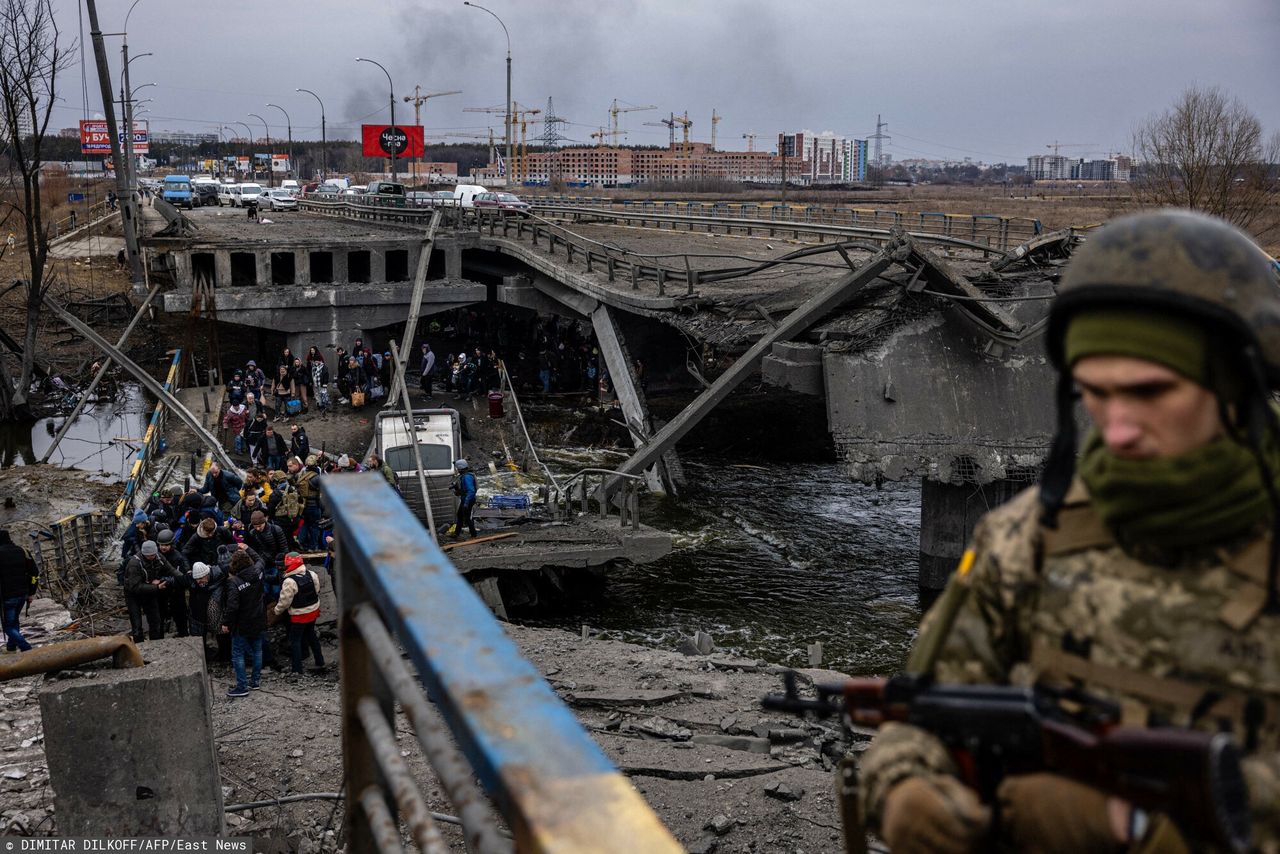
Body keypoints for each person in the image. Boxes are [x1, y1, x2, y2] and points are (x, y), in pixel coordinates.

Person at [857, 210, 1280, 853]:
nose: (1117, 427)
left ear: (1237, 383)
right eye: (1095, 394)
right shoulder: (1027, 538)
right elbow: (926, 707)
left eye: (1150, 391)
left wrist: (1133, 826)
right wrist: (907, 787)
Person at [222, 546, 266, 697]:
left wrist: (226, 623)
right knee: (258, 650)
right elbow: (260, 559)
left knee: (238, 654)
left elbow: (232, 606)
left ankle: (242, 686)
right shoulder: (258, 571)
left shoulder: (234, 582)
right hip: (259, 618)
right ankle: (255, 681)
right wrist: (248, 548)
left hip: (241, 623)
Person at [272, 553, 325, 675]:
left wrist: (276, 611)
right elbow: (317, 590)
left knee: (295, 640)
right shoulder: (312, 574)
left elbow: (285, 602)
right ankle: (320, 661)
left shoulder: (289, 581)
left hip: (299, 615)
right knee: (311, 636)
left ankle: (297, 668)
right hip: (313, 611)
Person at [122, 540, 178, 642]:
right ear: (143, 554)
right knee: (137, 624)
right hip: (133, 594)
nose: (152, 557)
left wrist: (184, 578)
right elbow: (135, 587)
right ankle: (139, 647)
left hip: (149, 591)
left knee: (155, 621)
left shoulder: (159, 557)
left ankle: (156, 645)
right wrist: (156, 588)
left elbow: (171, 570)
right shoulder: (134, 564)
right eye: (149, 556)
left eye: (153, 555)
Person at [0, 530, 37, 653]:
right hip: (23, 594)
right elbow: (34, 573)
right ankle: (11, 647)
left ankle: (26, 648)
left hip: (7, 596)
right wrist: (32, 592)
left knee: (8, 627)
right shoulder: (23, 551)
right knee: (14, 621)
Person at [154, 528, 191, 637]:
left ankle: (183, 634)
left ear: (171, 544)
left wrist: (163, 580)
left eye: (166, 545)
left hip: (175, 591)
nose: (163, 547)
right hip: (160, 592)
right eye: (161, 545)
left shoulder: (178, 557)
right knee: (159, 616)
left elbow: (181, 578)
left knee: (180, 616)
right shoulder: (155, 555)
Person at [451, 459, 477, 540]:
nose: (457, 470)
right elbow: (464, 489)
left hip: (468, 500)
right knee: (460, 515)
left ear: (460, 468)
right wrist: (455, 487)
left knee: (467, 517)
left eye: (457, 468)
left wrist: (466, 503)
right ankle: (457, 534)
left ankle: (473, 535)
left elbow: (471, 491)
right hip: (465, 499)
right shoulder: (465, 476)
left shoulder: (467, 477)